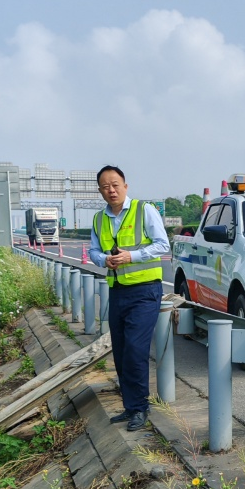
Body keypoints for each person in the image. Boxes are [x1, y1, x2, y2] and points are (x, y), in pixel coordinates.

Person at [89, 165, 171, 432]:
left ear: (125, 185)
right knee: (122, 351)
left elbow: (162, 244)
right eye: (105, 186)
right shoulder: (99, 219)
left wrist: (131, 256)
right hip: (118, 289)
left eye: (115, 184)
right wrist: (105, 259)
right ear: (100, 191)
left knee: (136, 350)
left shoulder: (144, 210)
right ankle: (130, 405)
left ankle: (140, 409)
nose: (110, 190)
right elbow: (92, 251)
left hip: (145, 290)